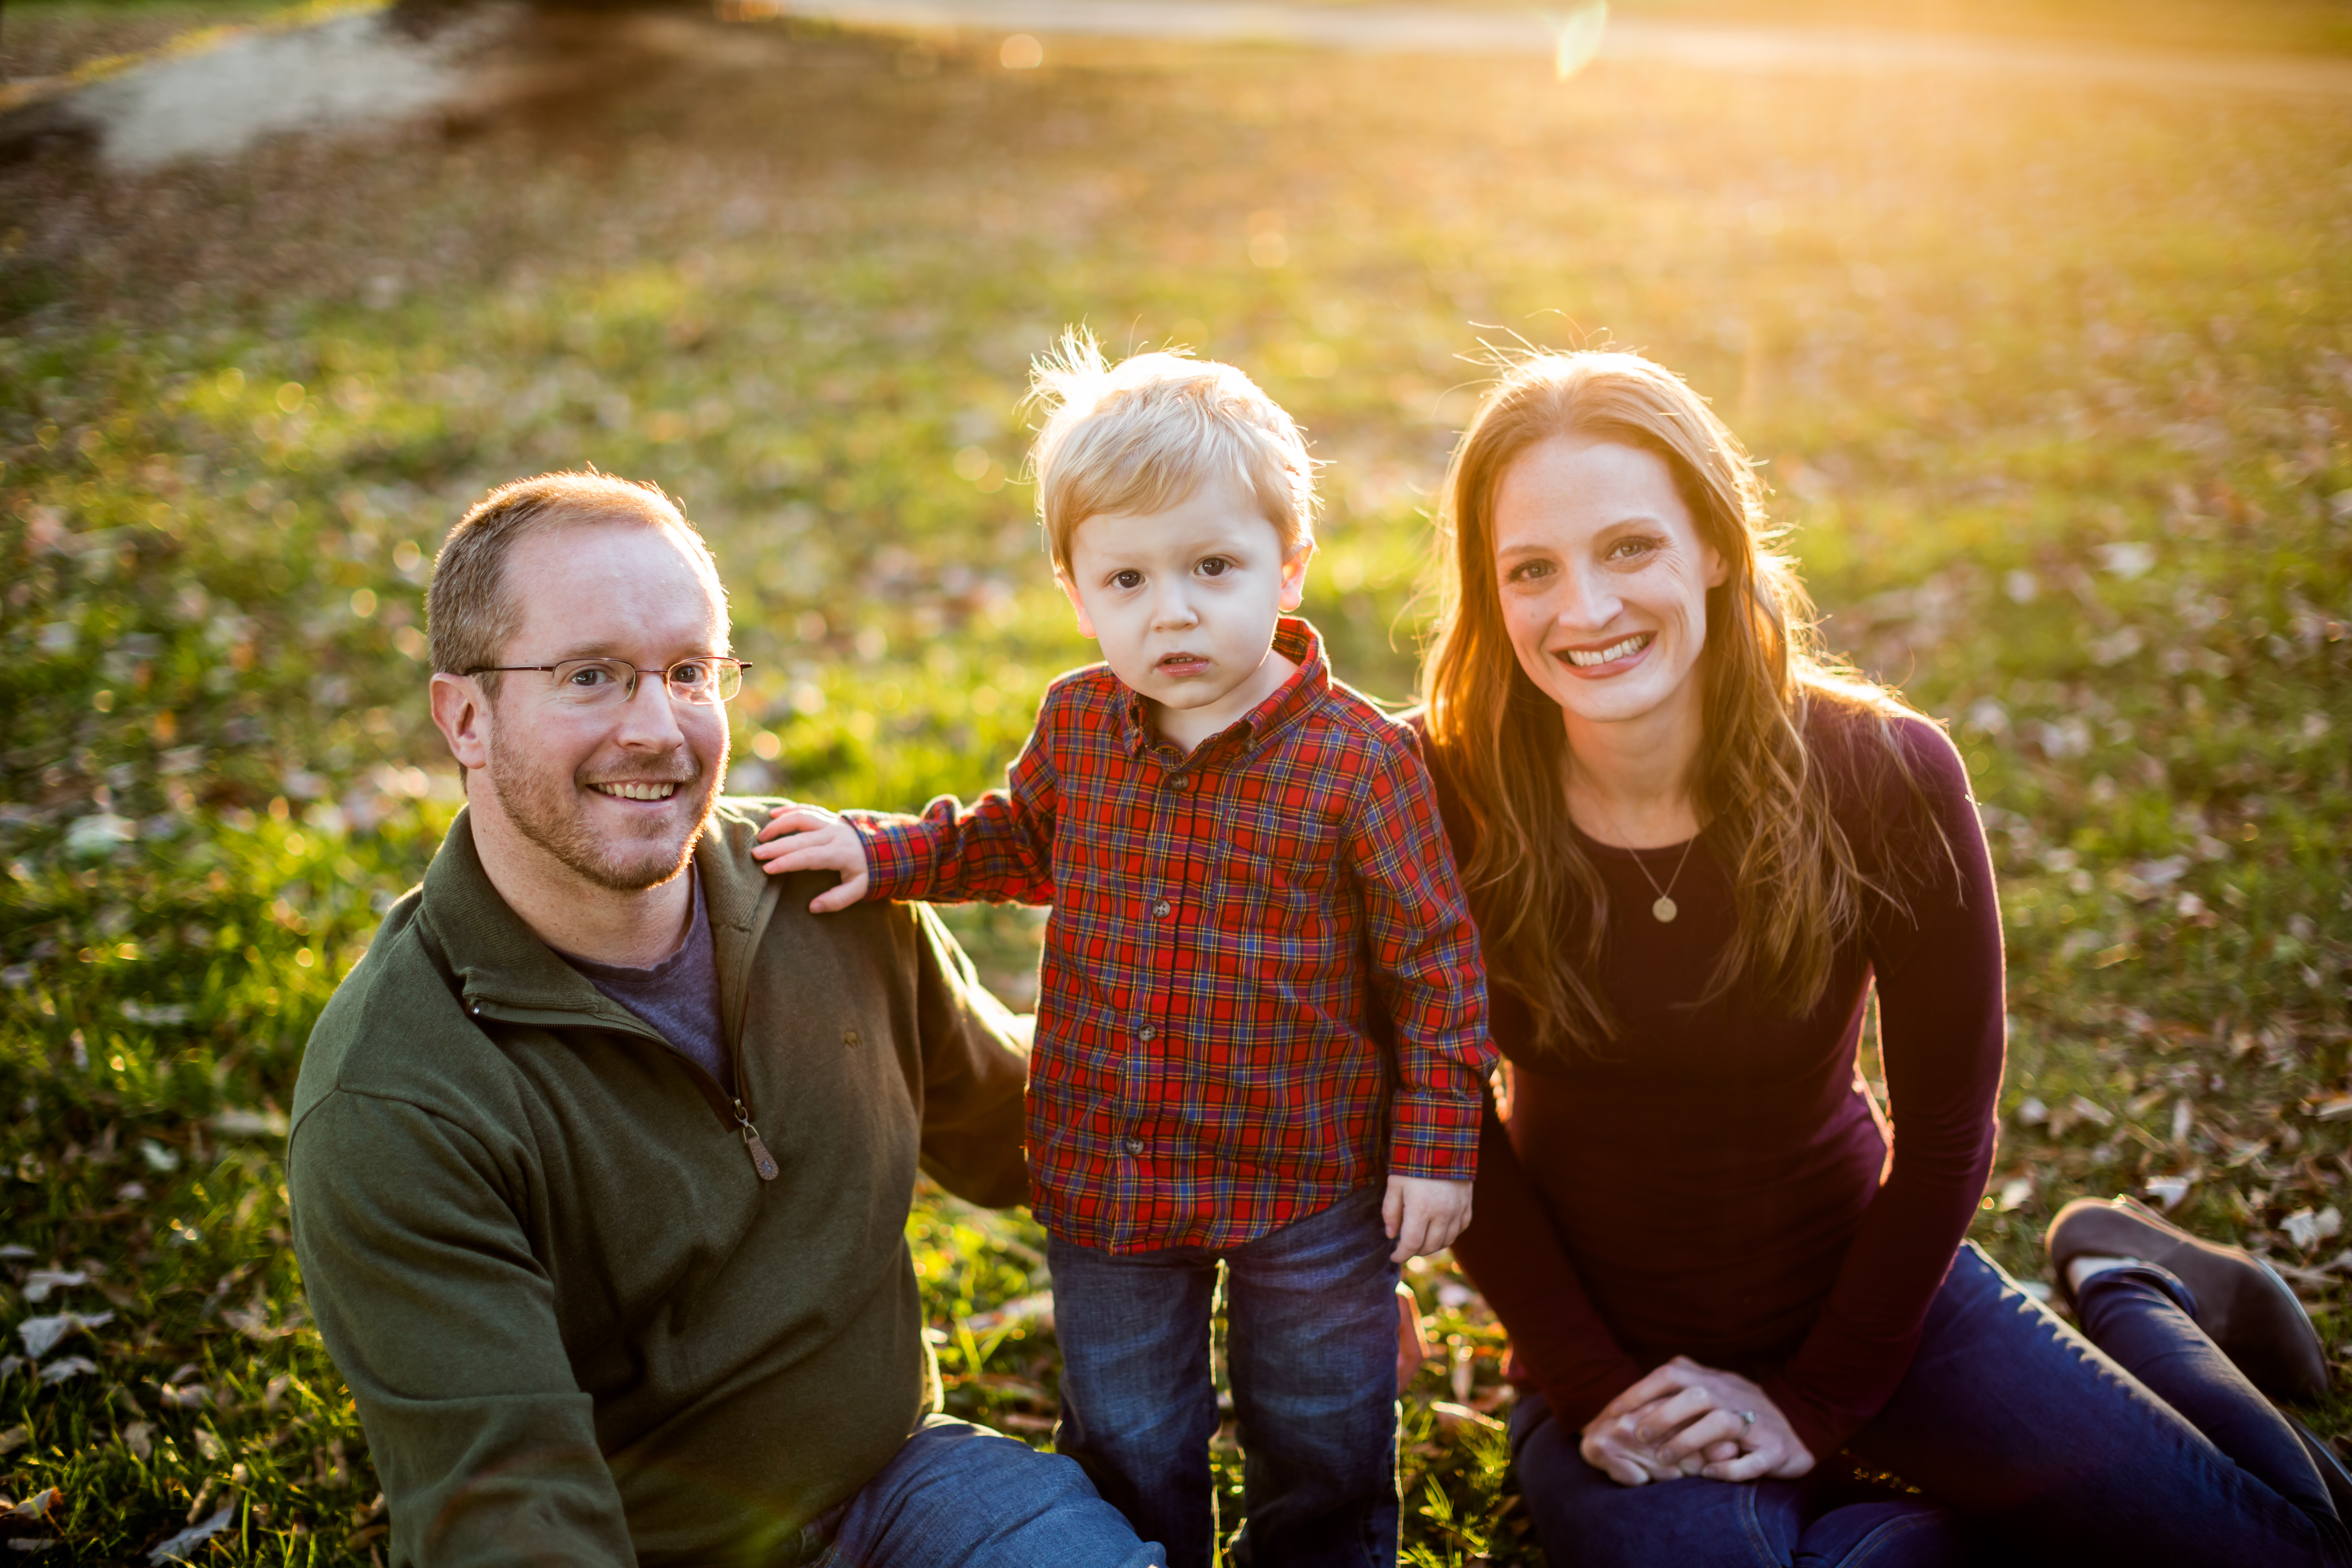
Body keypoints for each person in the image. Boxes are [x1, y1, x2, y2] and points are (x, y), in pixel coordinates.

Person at [1416, 350, 2351, 1566]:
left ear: (1714, 544)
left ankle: (2126, 1282)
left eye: (1631, 548)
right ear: (1493, 598)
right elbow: (1447, 1120)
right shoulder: (1435, 792)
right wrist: (1593, 1382)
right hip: (1619, 1361)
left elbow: (1951, 1129)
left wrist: (1816, 1401)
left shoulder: (1882, 774)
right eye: (1531, 570)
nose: (1585, 610)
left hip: (1875, 1301)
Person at [286, 470, 1160, 1568]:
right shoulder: (398, 1099)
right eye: (592, 676)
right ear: (465, 715)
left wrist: (1316, 1242)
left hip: (909, 1480)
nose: (657, 730)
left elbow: (1039, 1127)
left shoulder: (825, 890)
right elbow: (515, 1520)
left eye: (690, 672)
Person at [753, 335, 1496, 1568]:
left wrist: (1434, 1149)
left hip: (1306, 1177)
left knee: (1322, 1431)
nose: (1178, 610)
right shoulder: (1080, 723)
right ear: (1078, 590)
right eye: (1130, 581)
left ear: (1289, 566)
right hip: (1113, 1165)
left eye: (1215, 566)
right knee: (1132, 1438)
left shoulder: (1362, 765)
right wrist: (880, 853)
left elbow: (1437, 966)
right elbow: (1016, 840)